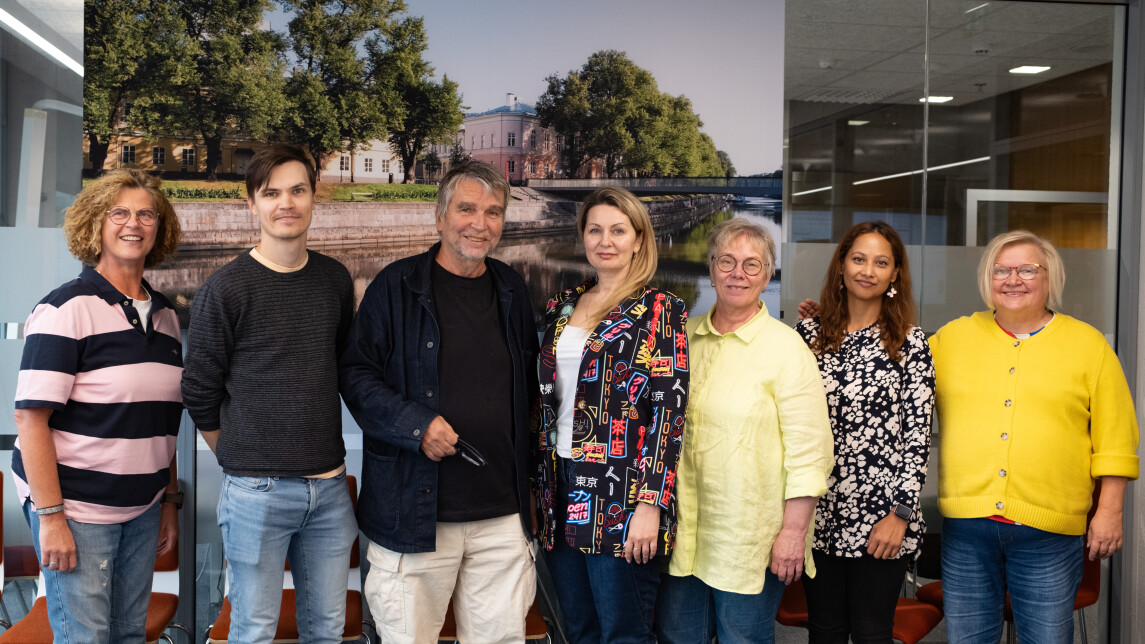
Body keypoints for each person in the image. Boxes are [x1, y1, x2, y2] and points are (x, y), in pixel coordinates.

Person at [339, 161, 539, 643]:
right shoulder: (395, 286)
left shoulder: (512, 287)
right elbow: (355, 374)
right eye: (466, 208)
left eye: (493, 212)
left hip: (503, 515)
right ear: (440, 216)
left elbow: (532, 389)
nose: (480, 223)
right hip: (414, 513)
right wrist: (416, 426)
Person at [182, 144, 358, 643]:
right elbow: (198, 389)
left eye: (298, 190)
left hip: (328, 489)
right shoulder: (227, 288)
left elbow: (344, 366)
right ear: (251, 203)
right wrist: (238, 456)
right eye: (272, 192)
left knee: (326, 628)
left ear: (313, 198)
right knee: (254, 629)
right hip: (255, 492)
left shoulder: (335, 280)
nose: (287, 202)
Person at [929, 230, 1138, 644]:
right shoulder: (951, 339)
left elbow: (1115, 438)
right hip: (967, 529)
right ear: (988, 279)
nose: (1013, 279)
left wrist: (1110, 511)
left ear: (1049, 278)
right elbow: (891, 378)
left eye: (1027, 269)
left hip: (1050, 535)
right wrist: (826, 324)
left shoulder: (1088, 345)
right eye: (1001, 270)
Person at [12, 169, 183, 642]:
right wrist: (50, 519)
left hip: (143, 507)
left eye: (146, 213)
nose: (134, 223)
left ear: (159, 227)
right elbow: (30, 418)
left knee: (130, 635)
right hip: (77, 511)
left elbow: (162, 422)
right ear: (95, 225)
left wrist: (168, 502)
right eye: (119, 213)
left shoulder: (166, 316)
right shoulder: (65, 309)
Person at [656, 218, 833, 644]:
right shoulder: (682, 338)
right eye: (727, 262)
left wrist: (793, 533)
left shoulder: (787, 348)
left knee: (742, 639)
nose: (738, 274)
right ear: (711, 268)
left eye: (752, 265)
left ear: (768, 273)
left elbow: (810, 453)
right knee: (678, 637)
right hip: (684, 533)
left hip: (749, 537)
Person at [534, 187, 688, 644]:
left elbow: (669, 413)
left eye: (618, 230)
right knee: (578, 629)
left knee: (625, 633)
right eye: (595, 229)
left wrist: (651, 504)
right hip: (559, 488)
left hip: (622, 495)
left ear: (639, 239)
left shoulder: (662, 310)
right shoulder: (560, 307)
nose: (606, 240)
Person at [794, 222, 934, 644]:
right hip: (817, 513)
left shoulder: (910, 343)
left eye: (881, 262)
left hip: (882, 518)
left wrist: (900, 516)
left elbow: (917, 436)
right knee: (824, 631)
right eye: (858, 258)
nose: (867, 270)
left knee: (873, 634)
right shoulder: (807, 336)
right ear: (841, 266)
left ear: (895, 275)